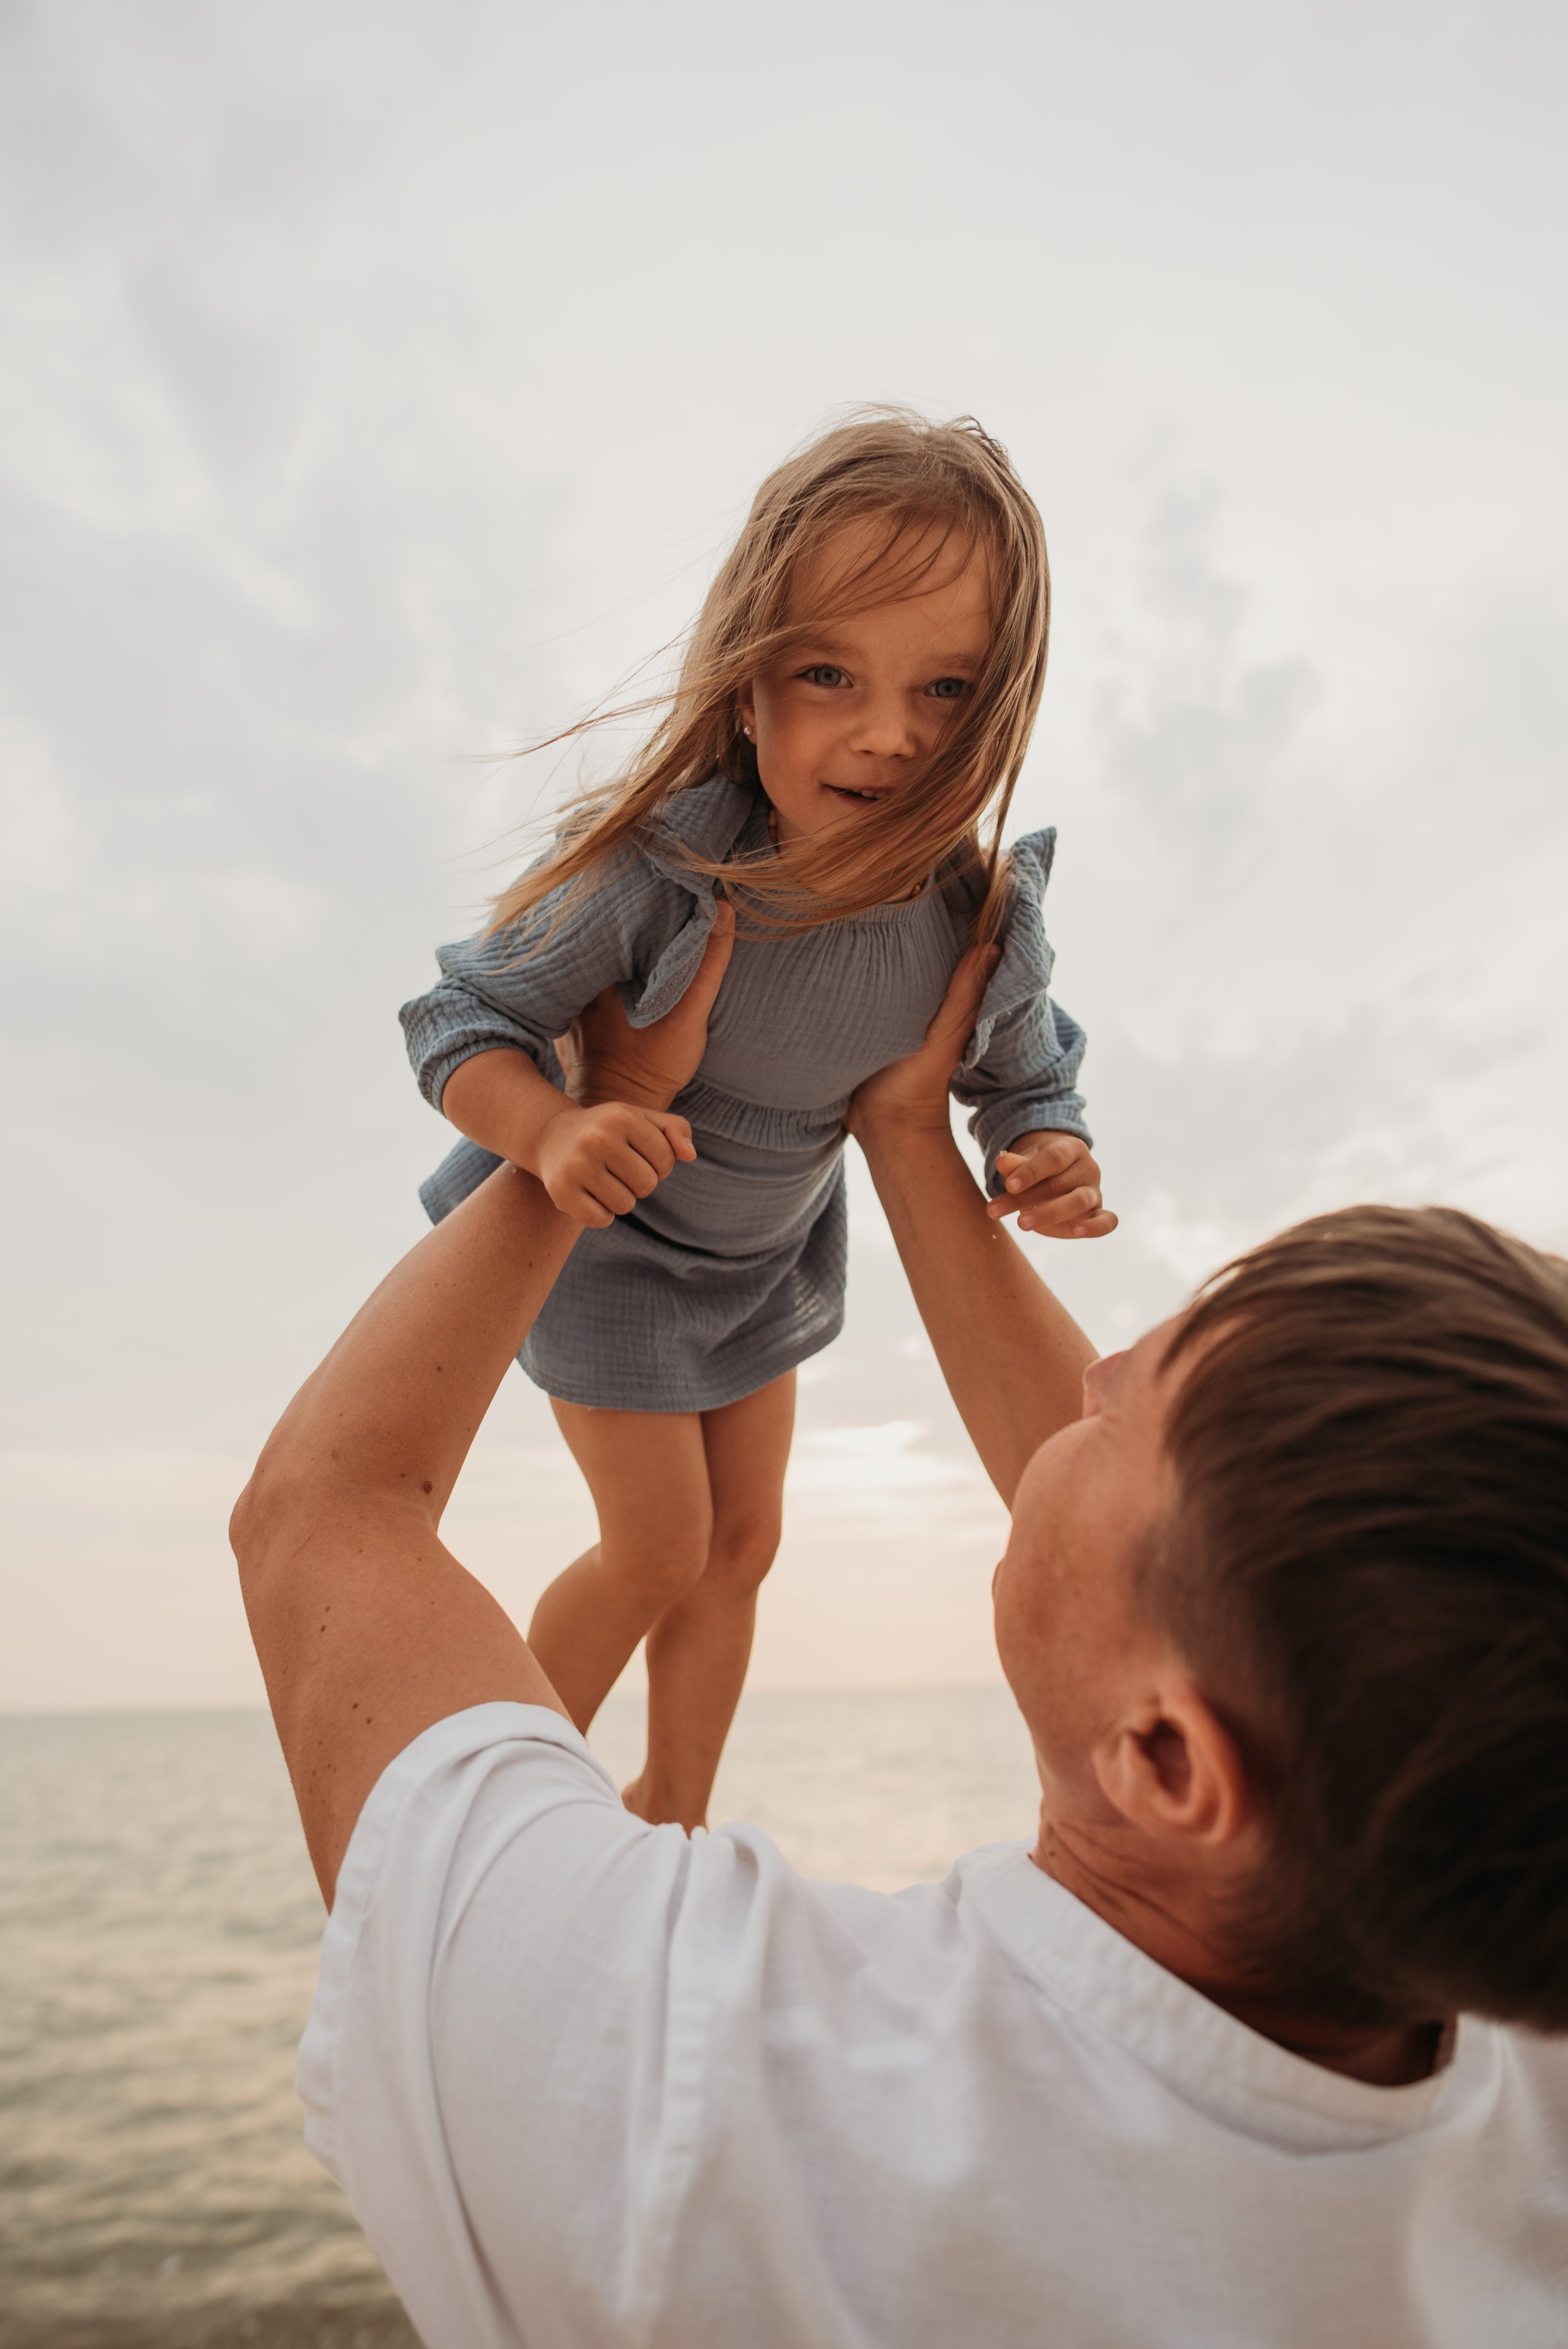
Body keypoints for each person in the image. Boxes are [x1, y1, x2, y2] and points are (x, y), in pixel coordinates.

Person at [235, 947, 1568, 2349]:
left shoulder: (687, 2086)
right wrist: (906, 1129)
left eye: (1123, 1407)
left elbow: (324, 1516)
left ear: (1166, 1757)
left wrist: (590, 1121)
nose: (1089, 1373)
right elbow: (1213, 1597)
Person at [397, 409, 1114, 1829]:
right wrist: (547, 1132)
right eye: (828, 673)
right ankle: (487, 1816)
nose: (887, 734)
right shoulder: (671, 873)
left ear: (1004, 703)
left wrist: (1046, 1151)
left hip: (764, 1258)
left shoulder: (973, 918)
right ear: (743, 682)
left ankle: (672, 1807)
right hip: (610, 1242)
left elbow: (1019, 1074)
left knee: (745, 1546)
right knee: (657, 1544)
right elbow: (459, 1019)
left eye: (947, 688)